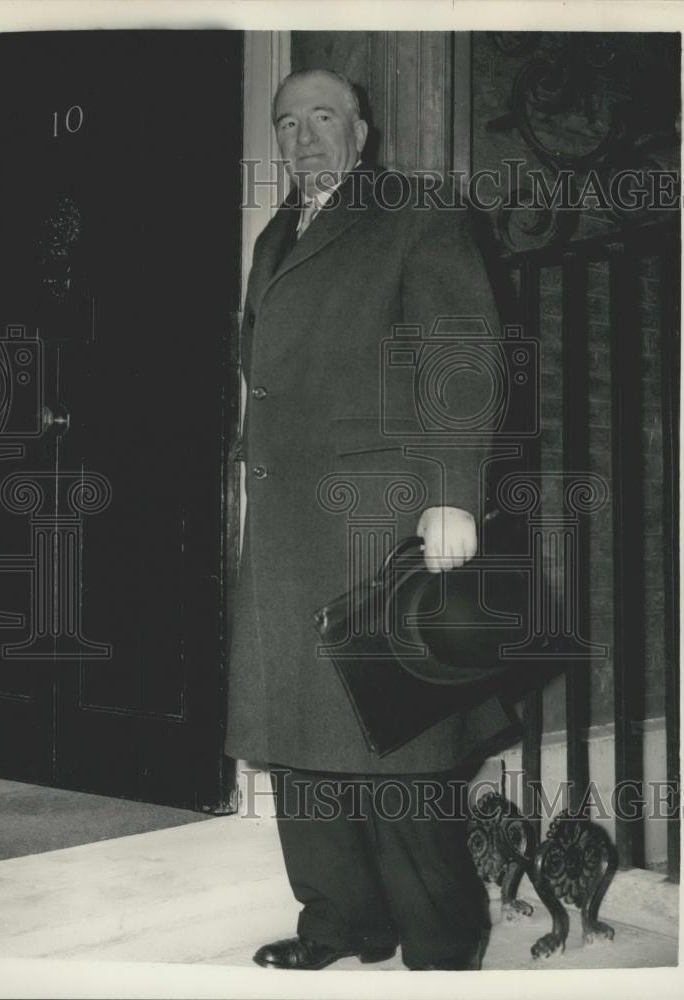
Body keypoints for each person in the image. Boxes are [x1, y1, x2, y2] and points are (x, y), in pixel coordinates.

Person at [225, 68, 515, 971]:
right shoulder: (277, 235)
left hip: (378, 517)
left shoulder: (416, 212)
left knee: (401, 740)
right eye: (286, 123)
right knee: (299, 740)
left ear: (363, 130)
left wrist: (455, 491)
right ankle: (342, 924)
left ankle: (441, 945)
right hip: (284, 524)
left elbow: (460, 357)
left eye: (323, 117)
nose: (303, 137)